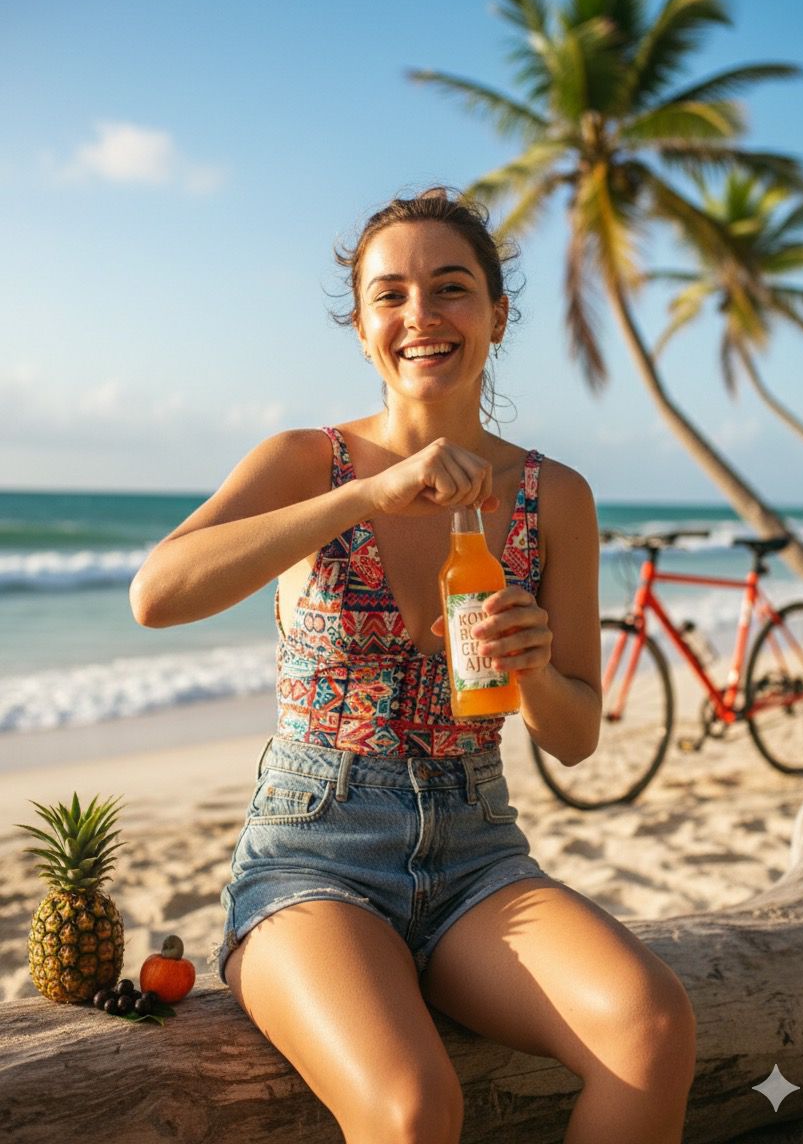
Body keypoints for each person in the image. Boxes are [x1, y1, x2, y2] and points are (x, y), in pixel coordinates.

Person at [130, 188, 696, 1144]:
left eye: (451, 288)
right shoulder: (311, 463)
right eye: (390, 295)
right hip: (312, 857)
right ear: (361, 327)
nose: (421, 317)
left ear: (497, 315)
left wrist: (532, 670)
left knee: (652, 1029)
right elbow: (158, 593)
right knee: (411, 1109)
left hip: (477, 852)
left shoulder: (553, 496)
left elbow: (576, 737)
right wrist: (371, 495)